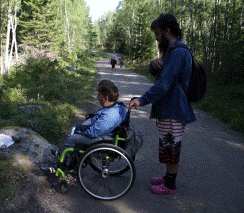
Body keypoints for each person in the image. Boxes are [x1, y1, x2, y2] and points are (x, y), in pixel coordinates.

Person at [129, 13, 196, 195]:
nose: (156, 38)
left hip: (174, 108)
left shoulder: (178, 53)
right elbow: (158, 72)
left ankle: (170, 185)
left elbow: (164, 84)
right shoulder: (171, 52)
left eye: (157, 33)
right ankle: (167, 177)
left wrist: (142, 100)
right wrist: (153, 64)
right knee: (168, 145)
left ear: (168, 30)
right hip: (169, 108)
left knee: (172, 147)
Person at [40, 79, 127, 172]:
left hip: (103, 138)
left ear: (106, 98)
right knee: (81, 127)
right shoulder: (117, 106)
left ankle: (61, 165)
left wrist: (78, 129)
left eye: (99, 95)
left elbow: (93, 132)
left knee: (73, 138)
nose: (97, 97)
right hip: (106, 132)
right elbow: (103, 121)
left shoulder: (110, 115)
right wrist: (92, 117)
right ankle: (64, 154)